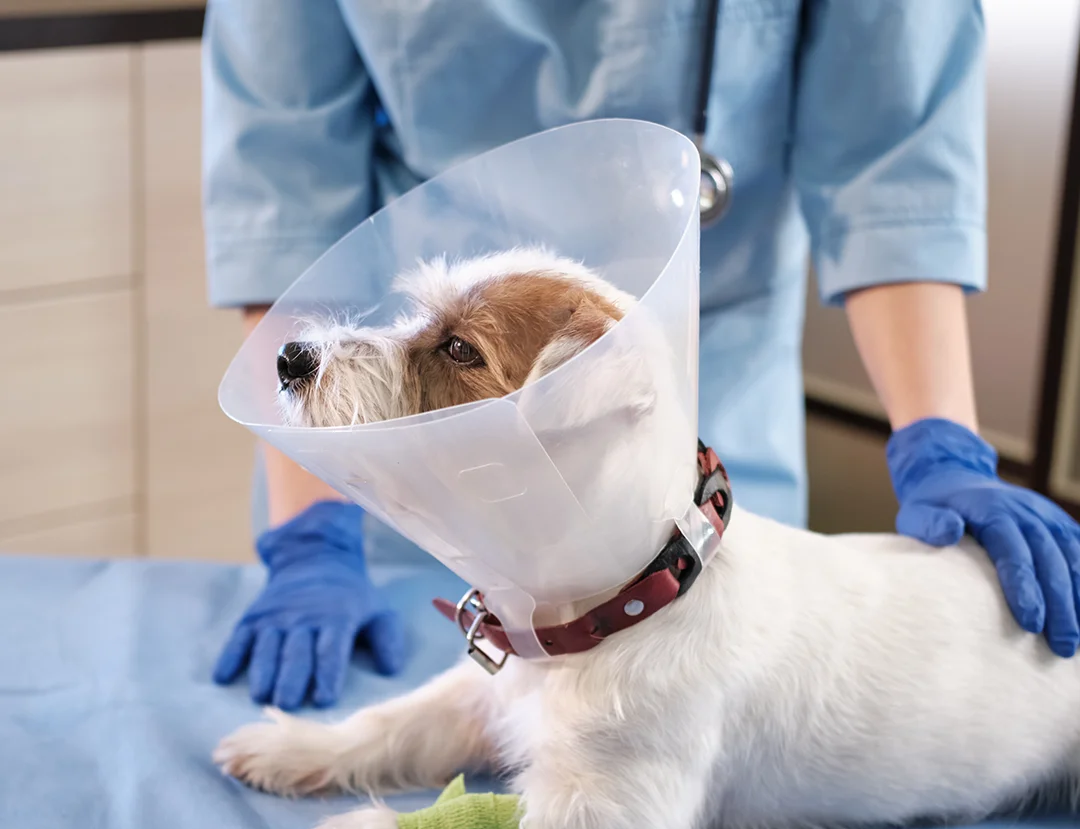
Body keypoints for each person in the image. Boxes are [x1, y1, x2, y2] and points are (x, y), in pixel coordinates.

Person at [202, 0, 1080, 712]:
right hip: (411, 444)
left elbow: (896, 158)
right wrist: (316, 529)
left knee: (705, 711)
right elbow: (283, 192)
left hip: (697, 409)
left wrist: (941, 443)